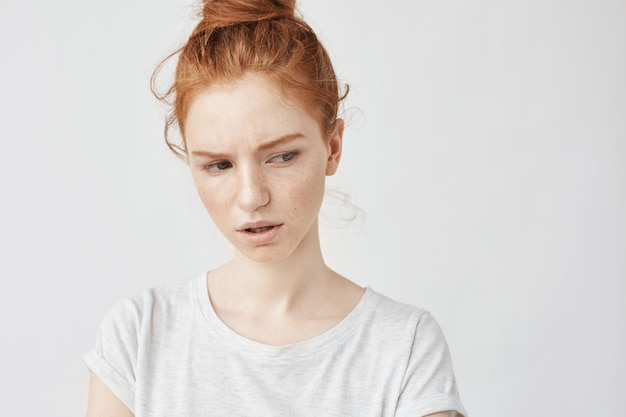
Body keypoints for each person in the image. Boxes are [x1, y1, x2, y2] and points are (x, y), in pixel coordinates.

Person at [83, 1, 467, 416]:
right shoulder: (140, 337)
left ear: (332, 147)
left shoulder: (403, 346)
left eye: (282, 157)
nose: (251, 197)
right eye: (219, 165)